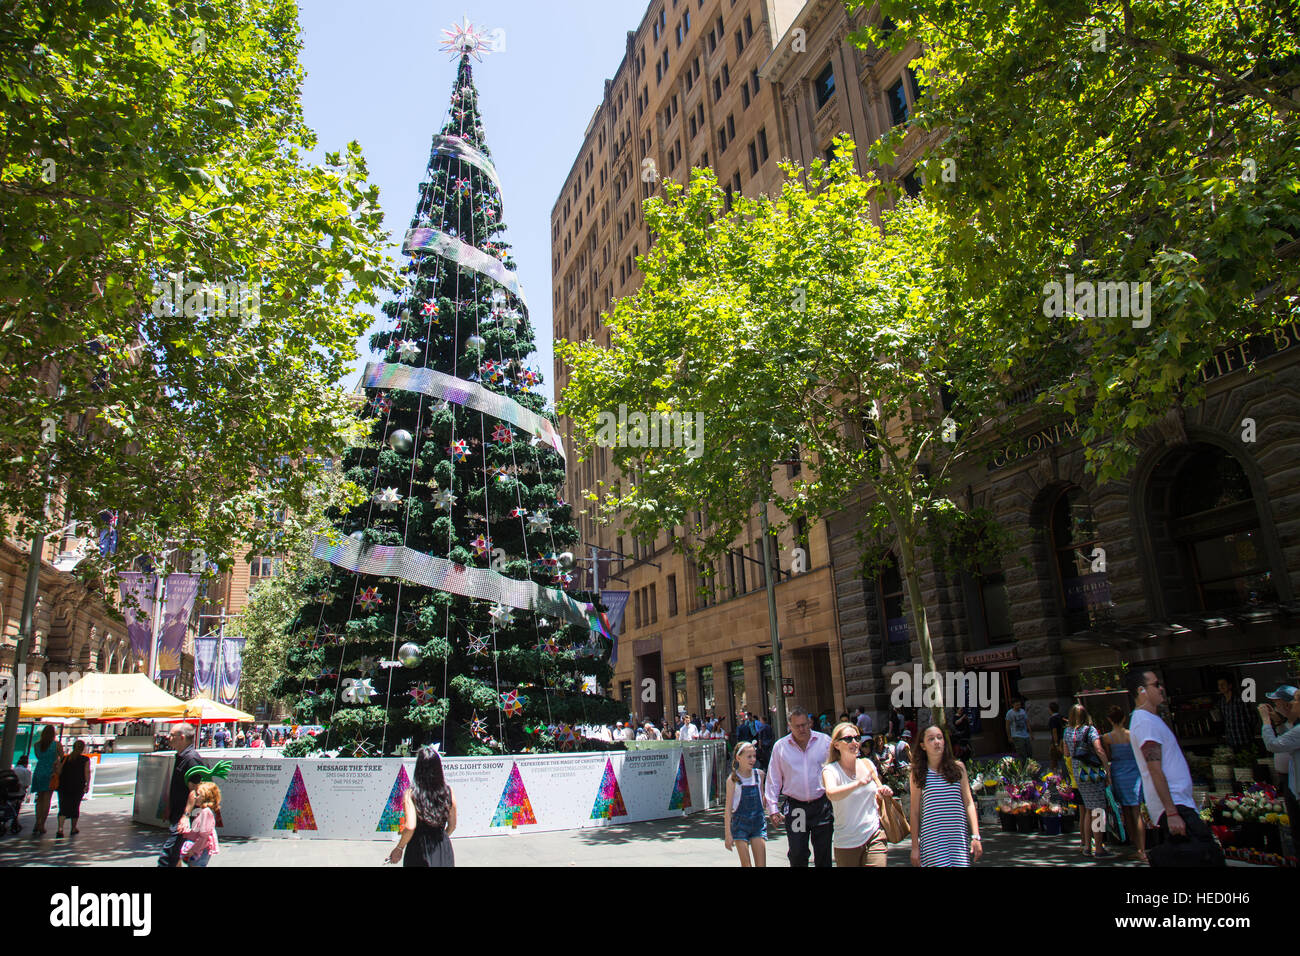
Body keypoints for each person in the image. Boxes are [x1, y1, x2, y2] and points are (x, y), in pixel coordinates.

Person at [1126, 669, 1224, 866]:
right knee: (1206, 856)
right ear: (1141, 690)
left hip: (1177, 802)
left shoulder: (1150, 719)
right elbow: (1154, 768)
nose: (1161, 688)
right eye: (1155, 684)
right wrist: (1171, 812)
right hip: (1173, 803)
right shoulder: (1144, 722)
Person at [763, 706, 834, 867]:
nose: (802, 729)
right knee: (798, 852)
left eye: (805, 724)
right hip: (797, 809)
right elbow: (773, 779)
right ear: (790, 726)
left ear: (809, 723)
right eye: (797, 726)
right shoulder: (781, 747)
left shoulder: (824, 742)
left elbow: (835, 769)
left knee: (823, 853)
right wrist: (773, 809)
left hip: (821, 806)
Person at [909, 725, 982, 867]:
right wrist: (915, 847)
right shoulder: (918, 773)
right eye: (931, 739)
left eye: (939, 737)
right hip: (933, 840)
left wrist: (976, 836)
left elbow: (969, 803)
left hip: (957, 838)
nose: (936, 741)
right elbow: (914, 811)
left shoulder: (958, 768)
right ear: (923, 746)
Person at [822, 722, 892, 867]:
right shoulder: (830, 770)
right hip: (847, 841)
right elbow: (831, 794)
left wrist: (884, 791)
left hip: (874, 834)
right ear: (836, 745)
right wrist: (857, 784)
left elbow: (878, 791)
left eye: (857, 738)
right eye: (848, 739)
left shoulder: (867, 764)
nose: (854, 742)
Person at [388, 745, 456, 867]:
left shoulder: (411, 794)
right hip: (442, 846)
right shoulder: (448, 792)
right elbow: (452, 826)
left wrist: (399, 848)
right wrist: (440, 839)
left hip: (419, 848)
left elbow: (410, 826)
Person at [1063, 704, 1112, 858]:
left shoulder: (1067, 731)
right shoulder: (1089, 730)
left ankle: (1086, 845)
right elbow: (1099, 749)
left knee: (1088, 810)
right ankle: (1098, 847)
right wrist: (1107, 768)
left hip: (1078, 773)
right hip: (1092, 773)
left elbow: (1066, 753)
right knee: (1098, 810)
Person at [1258, 685, 1300, 858]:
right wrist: (1278, 723)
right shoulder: (1295, 727)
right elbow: (1287, 742)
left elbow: (1273, 745)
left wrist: (1266, 722)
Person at [158, 724, 207, 867]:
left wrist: (185, 816)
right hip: (177, 813)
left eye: (172, 735)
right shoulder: (181, 757)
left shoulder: (191, 759)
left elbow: (195, 790)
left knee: (168, 857)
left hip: (183, 817)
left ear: (182, 737)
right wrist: (169, 807)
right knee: (175, 855)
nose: (168, 737)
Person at [1102, 704, 1146, 863]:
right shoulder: (1133, 735)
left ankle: (1135, 844)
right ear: (1124, 718)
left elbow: (1107, 757)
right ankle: (1141, 848)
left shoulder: (1107, 738)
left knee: (1126, 812)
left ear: (1109, 720)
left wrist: (1108, 776)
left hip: (1119, 772)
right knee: (1137, 811)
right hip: (1134, 772)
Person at [723, 741, 767, 867]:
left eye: (754, 756)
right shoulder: (732, 780)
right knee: (746, 864)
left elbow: (762, 798)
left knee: (761, 864)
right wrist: (728, 834)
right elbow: (727, 810)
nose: (752, 759)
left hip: (758, 823)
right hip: (740, 825)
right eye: (749, 756)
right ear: (738, 757)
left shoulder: (759, 775)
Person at [29, 724, 63, 836]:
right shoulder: (56, 745)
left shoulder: (37, 745)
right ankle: (42, 824)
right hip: (50, 772)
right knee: (47, 799)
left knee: (39, 799)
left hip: (39, 771)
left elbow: (39, 757)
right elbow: (62, 757)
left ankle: (36, 822)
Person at [55, 739, 91, 838]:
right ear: (83, 748)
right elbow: (87, 772)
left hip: (63, 785)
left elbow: (59, 771)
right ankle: (73, 828)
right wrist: (87, 784)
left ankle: (60, 829)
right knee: (75, 806)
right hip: (78, 785)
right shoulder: (85, 759)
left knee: (62, 806)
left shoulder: (65, 758)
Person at [181, 782, 221, 867]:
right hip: (199, 848)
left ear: (205, 797)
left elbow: (204, 835)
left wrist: (194, 849)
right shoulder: (202, 811)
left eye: (198, 795)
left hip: (201, 849)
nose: (195, 797)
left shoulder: (206, 813)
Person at [1217, 674, 1256, 753]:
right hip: (1231, 741)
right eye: (1219, 685)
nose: (1221, 687)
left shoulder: (1240, 699)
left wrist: (1248, 731)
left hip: (1244, 739)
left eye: (1223, 684)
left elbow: (1252, 718)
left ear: (1230, 685)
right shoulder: (1222, 702)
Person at [1047, 701, 1066, 774]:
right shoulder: (1062, 717)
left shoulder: (1052, 719)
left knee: (1054, 759)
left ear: (1050, 709)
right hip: (1063, 740)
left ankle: (1054, 775)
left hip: (1057, 741)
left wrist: (1055, 743)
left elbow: (1054, 731)